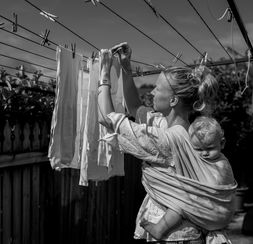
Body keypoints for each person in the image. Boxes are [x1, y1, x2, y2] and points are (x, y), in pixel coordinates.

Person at [97, 42, 237, 243]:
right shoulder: (183, 130)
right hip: (185, 235)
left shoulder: (166, 140)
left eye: (157, 88)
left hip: (175, 238)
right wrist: (125, 66)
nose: (152, 92)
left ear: (173, 100)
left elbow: (106, 118)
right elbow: (135, 107)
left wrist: (104, 74)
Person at [139, 116, 235, 240]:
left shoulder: (222, 164)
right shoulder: (205, 160)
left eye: (210, 148)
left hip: (217, 211)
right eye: (198, 149)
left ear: (222, 143)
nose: (204, 153)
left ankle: (159, 229)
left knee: (179, 203)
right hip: (217, 217)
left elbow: (213, 187)